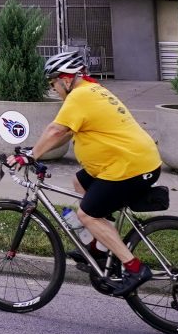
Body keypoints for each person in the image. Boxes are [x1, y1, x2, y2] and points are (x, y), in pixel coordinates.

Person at [12, 50, 160, 295]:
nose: (54, 90)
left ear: (66, 79)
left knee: (88, 215)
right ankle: (100, 249)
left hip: (129, 167)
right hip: (127, 162)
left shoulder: (80, 96)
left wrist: (30, 156)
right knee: (79, 182)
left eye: (53, 84)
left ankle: (134, 268)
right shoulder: (92, 91)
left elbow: (56, 130)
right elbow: (66, 134)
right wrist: (33, 150)